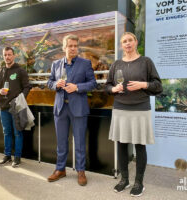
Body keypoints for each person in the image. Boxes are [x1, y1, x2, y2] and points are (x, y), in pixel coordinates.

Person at [106, 32, 163, 197]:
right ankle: (124, 180)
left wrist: (143, 84)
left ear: (136, 42)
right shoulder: (116, 64)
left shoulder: (146, 62)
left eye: (130, 40)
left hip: (140, 108)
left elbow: (158, 86)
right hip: (120, 108)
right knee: (122, 145)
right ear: (121, 45)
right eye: (124, 41)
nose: (127, 43)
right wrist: (113, 89)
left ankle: (139, 182)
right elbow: (107, 86)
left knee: (139, 146)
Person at [47, 34, 97, 186]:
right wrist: (56, 84)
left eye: (75, 46)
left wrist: (77, 87)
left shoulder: (85, 63)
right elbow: (49, 82)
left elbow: (93, 83)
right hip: (60, 108)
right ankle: (60, 169)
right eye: (70, 46)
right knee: (61, 142)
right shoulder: (56, 64)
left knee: (80, 141)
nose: (73, 48)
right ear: (64, 47)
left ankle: (80, 171)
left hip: (79, 108)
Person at [0, 47, 31, 167]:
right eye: (5, 55)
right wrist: (0, 91)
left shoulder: (20, 71)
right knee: (7, 132)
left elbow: (27, 87)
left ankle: (17, 157)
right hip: (4, 107)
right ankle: (7, 156)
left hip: (17, 107)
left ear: (14, 56)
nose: (7, 57)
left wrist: (20, 99)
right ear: (3, 56)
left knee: (18, 133)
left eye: (9, 55)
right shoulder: (0, 72)